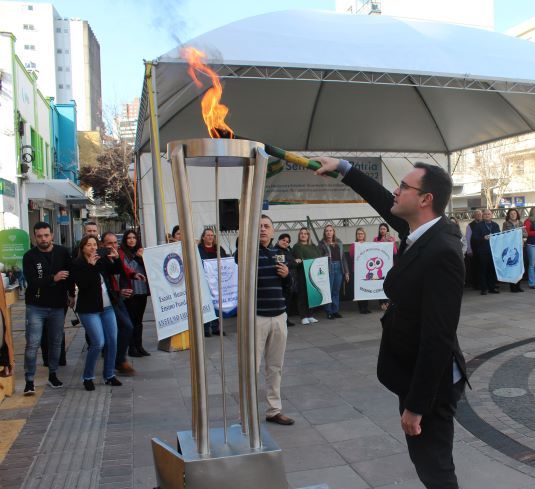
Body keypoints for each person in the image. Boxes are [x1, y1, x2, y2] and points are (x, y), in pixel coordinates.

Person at [316, 157, 468, 489]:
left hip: (432, 384)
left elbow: (438, 337)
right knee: (427, 463)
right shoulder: (421, 231)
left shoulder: (441, 250)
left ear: (425, 199)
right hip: (412, 371)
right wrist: (345, 169)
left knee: (435, 468)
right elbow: (386, 203)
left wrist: (416, 406)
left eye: (404, 187)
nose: (396, 192)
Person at [244, 214, 294, 425]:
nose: (263, 229)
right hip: (257, 318)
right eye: (259, 227)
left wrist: (287, 276)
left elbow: (291, 288)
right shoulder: (247, 253)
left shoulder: (281, 254)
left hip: (279, 316)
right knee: (250, 367)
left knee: (275, 367)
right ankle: (247, 414)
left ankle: (274, 410)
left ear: (273, 231)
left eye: (266, 226)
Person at [22, 222, 75, 395]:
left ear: (52, 235)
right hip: (35, 306)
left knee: (56, 342)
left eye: (46, 235)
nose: (43, 239)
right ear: (34, 237)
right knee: (33, 343)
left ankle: (53, 374)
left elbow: (70, 275)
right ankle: (29, 380)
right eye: (39, 236)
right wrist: (54, 277)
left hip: (58, 306)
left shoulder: (62, 252)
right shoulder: (30, 256)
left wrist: (71, 294)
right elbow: (33, 281)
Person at [71, 236, 122, 391]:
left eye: (95, 244)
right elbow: (84, 285)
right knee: (98, 342)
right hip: (88, 309)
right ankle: (88, 377)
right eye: (89, 245)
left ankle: (109, 375)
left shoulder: (101, 260)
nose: (93, 248)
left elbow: (116, 271)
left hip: (107, 307)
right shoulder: (77, 264)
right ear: (82, 248)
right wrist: (91, 266)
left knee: (113, 340)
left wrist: (117, 258)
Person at [100, 232, 146, 375]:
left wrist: (133, 274)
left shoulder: (115, 255)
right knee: (110, 334)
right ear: (102, 245)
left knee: (126, 327)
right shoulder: (100, 258)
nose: (113, 246)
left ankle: (118, 360)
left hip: (115, 297)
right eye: (109, 243)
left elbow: (122, 269)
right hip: (106, 299)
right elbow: (106, 279)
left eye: (115, 243)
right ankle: (116, 361)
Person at [119, 229, 151, 356]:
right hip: (130, 291)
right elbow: (127, 269)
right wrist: (136, 257)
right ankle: (131, 348)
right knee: (131, 320)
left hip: (141, 290)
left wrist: (142, 257)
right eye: (129, 238)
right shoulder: (122, 253)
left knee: (139, 321)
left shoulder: (141, 251)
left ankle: (139, 346)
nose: (131, 240)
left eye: (134, 238)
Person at [197, 228, 227, 337]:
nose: (210, 237)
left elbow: (225, 262)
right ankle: (205, 328)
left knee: (216, 305)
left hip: (217, 282)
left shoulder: (218, 249)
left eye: (212, 235)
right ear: (203, 237)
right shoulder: (198, 249)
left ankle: (216, 327)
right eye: (208, 235)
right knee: (205, 305)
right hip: (204, 282)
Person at [318, 225, 349, 320]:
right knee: (328, 291)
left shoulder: (339, 243)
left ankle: (335, 311)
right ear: (325, 232)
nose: (329, 232)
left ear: (333, 232)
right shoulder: (321, 244)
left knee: (336, 290)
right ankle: (329, 312)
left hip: (339, 267)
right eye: (327, 231)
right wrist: (325, 255)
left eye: (330, 230)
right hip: (329, 268)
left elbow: (343, 258)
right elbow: (318, 257)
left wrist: (346, 272)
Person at [292, 228, 321, 325]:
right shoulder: (297, 246)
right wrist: (311, 259)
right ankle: (303, 316)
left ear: (308, 235)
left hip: (313, 274)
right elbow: (301, 258)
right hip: (302, 274)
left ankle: (310, 315)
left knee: (311, 295)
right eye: (301, 234)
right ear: (299, 235)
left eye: (305, 234)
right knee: (303, 295)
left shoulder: (313, 246)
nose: (303, 235)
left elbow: (318, 257)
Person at [472, 209, 500, 295]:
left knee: (492, 270)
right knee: (483, 270)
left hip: (493, 251)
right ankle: (484, 288)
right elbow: (474, 238)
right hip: (482, 251)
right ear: (483, 216)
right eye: (485, 214)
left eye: (489, 214)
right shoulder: (478, 226)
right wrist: (483, 238)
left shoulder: (495, 225)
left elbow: (499, 236)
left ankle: (492, 287)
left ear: (492, 215)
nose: (487, 215)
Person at [274, 233, 297, 327]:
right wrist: (294, 262)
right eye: (283, 240)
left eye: (287, 241)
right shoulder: (277, 251)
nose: (285, 242)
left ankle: (286, 320)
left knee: (287, 302)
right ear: (278, 240)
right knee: (283, 302)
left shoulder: (287, 251)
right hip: (282, 282)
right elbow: (282, 265)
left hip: (289, 281)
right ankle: (282, 321)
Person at [373, 223, 398, 311]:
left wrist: (389, 241)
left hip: (389, 265)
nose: (382, 230)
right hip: (378, 266)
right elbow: (374, 251)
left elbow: (395, 252)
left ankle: (388, 302)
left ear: (387, 230)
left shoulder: (391, 239)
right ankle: (381, 303)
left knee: (388, 283)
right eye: (381, 229)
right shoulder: (376, 239)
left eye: (384, 229)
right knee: (379, 283)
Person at [502, 208, 526, 293]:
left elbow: (525, 233)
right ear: (509, 215)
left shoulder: (520, 223)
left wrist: (520, 234)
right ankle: (513, 287)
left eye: (514, 213)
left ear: (517, 214)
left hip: (519, 247)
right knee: (512, 266)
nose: (513, 215)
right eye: (511, 214)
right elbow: (504, 234)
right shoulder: (505, 223)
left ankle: (518, 286)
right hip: (511, 247)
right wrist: (513, 233)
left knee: (519, 267)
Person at [349, 227, 371, 314]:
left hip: (366, 271)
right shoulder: (354, 245)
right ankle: (361, 308)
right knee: (359, 290)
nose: (360, 235)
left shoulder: (368, 244)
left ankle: (366, 307)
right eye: (358, 234)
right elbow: (351, 255)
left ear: (364, 235)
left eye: (361, 233)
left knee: (366, 289)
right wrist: (358, 247)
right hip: (357, 270)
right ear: (356, 235)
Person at [465, 210, 482, 289]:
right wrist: (469, 250)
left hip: (484, 249)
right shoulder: (470, 225)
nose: (478, 215)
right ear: (474, 216)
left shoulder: (484, 223)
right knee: (475, 268)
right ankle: (476, 284)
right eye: (477, 214)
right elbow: (468, 238)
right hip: (474, 249)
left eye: (480, 214)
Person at [523, 207, 535, 289]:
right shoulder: (528, 221)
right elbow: (527, 233)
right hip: (531, 245)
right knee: (532, 265)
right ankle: (532, 283)